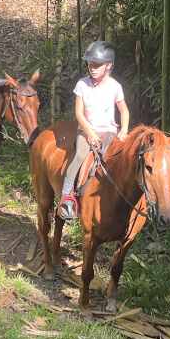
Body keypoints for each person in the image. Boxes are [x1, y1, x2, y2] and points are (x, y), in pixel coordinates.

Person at [57, 41, 130, 221]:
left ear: (109, 66)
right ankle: (66, 197)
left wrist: (124, 130)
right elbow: (78, 113)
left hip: (109, 132)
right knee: (80, 155)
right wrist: (90, 133)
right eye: (90, 64)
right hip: (87, 130)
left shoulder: (115, 86)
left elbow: (124, 111)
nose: (92, 68)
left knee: (120, 159)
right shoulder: (82, 84)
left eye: (97, 65)